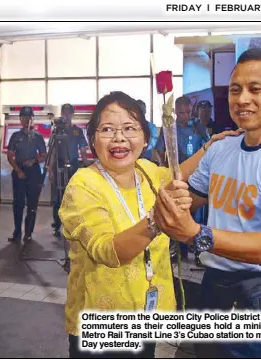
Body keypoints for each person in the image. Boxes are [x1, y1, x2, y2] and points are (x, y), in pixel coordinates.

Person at [154, 48, 261, 358]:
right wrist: (169, 202)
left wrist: (195, 234)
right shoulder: (222, 148)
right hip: (212, 286)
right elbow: (184, 201)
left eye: (255, 89)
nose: (242, 98)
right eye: (235, 90)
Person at [58, 91, 241, 358]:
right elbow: (106, 250)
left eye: (129, 128)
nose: (119, 138)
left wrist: (208, 147)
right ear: (92, 140)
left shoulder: (146, 171)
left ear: (145, 138)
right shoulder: (83, 184)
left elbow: (177, 174)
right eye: (107, 129)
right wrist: (157, 220)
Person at [156, 95, 210, 259]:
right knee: (177, 212)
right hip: (178, 177)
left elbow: (208, 146)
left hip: (197, 178)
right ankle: (180, 251)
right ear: (175, 112)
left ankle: (199, 249)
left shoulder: (198, 127)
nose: (185, 116)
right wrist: (165, 167)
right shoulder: (170, 129)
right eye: (181, 113)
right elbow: (159, 149)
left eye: (187, 112)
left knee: (197, 214)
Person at [7, 106, 47, 243]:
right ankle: (17, 232)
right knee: (18, 204)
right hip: (19, 171)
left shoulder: (38, 137)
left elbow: (43, 155)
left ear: (32, 119)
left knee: (32, 204)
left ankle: (28, 233)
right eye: (23, 117)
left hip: (33, 172)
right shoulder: (15, 136)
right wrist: (18, 170)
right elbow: (10, 155)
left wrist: (34, 160)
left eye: (29, 118)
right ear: (20, 119)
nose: (26, 120)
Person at [50, 103, 90, 237]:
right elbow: (53, 151)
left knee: (73, 195)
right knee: (58, 196)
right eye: (64, 112)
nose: (66, 115)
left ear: (72, 114)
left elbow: (83, 149)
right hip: (58, 165)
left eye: (69, 112)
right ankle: (57, 224)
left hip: (73, 165)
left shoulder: (77, 131)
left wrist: (86, 164)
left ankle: (73, 224)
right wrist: (50, 170)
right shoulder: (57, 131)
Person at [136, 99, 161, 165]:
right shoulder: (130, 127)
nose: (141, 112)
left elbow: (152, 142)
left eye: (143, 110)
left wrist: (141, 149)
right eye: (139, 110)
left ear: (145, 111)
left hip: (146, 160)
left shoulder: (151, 127)